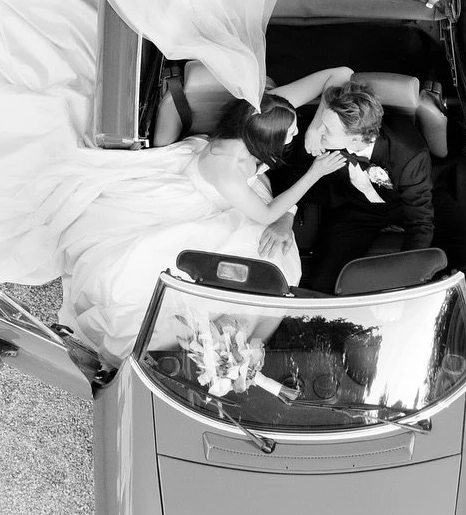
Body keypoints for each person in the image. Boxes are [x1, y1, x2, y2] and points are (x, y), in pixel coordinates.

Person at [32, 89, 347, 363]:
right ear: (264, 139)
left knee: (260, 260)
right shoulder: (226, 166)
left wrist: (318, 124)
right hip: (206, 201)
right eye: (290, 132)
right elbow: (265, 216)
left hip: (230, 201)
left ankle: (228, 331)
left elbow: (335, 76)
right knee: (144, 279)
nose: (296, 134)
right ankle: (211, 339)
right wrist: (314, 173)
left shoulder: (263, 111)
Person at [266, 78, 466, 292]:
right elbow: (295, 173)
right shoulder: (321, 134)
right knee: (322, 282)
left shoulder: (410, 154)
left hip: (413, 202)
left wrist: (405, 283)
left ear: (355, 139)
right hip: (356, 208)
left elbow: (420, 223)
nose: (318, 131)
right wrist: (287, 216)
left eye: (326, 130)